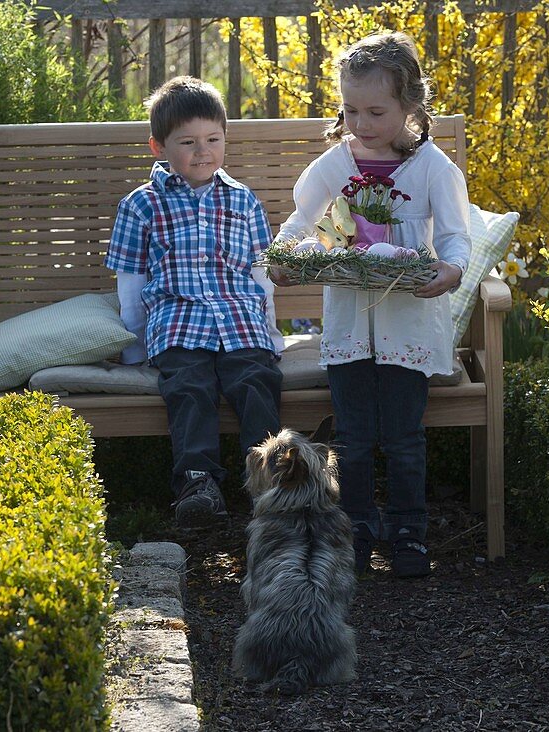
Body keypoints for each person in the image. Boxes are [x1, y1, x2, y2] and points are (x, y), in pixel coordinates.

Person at [273, 32, 471, 578]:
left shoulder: (433, 169)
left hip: (410, 324)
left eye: (376, 111)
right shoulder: (334, 167)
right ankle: (355, 528)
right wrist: (286, 259)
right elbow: (297, 226)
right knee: (354, 437)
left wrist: (450, 270)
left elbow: (455, 239)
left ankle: (409, 532)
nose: (361, 123)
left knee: (404, 437)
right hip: (349, 327)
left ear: (411, 105)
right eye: (350, 109)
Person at [106, 76, 285, 529]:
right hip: (177, 320)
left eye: (212, 139)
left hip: (240, 319)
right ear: (158, 147)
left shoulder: (243, 200)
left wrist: (272, 330)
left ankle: (268, 485)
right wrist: (134, 344)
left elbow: (260, 272)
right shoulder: (141, 205)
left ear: (226, 139)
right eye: (187, 142)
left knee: (256, 381)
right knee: (189, 388)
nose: (202, 151)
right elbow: (131, 281)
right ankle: (197, 481)